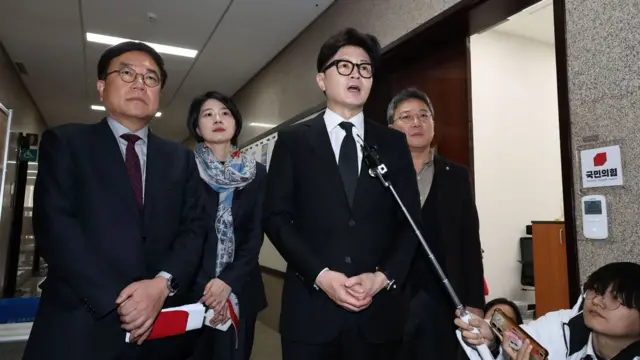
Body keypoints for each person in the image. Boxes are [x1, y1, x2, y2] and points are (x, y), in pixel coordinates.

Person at [23, 41, 206, 360]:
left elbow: (194, 229)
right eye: (126, 73)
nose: (140, 82)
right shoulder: (66, 142)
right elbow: (56, 227)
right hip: (80, 324)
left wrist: (162, 285)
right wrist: (118, 301)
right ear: (101, 86)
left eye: (151, 78)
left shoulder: (181, 159)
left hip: (159, 331)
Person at [263, 28, 423, 360]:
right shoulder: (293, 141)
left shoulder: (392, 144)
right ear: (322, 80)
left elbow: (410, 223)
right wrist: (321, 275)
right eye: (344, 66)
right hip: (310, 313)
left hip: (378, 317)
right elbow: (276, 218)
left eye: (365, 68)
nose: (357, 75)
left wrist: (382, 278)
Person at [388, 87, 485, 359]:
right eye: (406, 117)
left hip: (443, 300)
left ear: (433, 123)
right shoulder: (378, 175)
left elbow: (469, 241)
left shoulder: (456, 175)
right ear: (390, 128)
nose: (416, 122)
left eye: (423, 115)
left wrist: (475, 303)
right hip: (390, 298)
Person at [183, 91, 267, 360]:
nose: (217, 118)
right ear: (197, 127)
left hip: (241, 287)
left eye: (225, 113)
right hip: (194, 291)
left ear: (235, 122)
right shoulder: (184, 169)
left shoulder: (256, 173)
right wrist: (209, 289)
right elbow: (181, 233)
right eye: (208, 114)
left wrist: (227, 282)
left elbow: (255, 234)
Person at [456, 262, 640, 360]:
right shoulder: (560, 326)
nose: (598, 301)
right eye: (597, 290)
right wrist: (492, 342)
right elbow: (521, 338)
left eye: (616, 298)